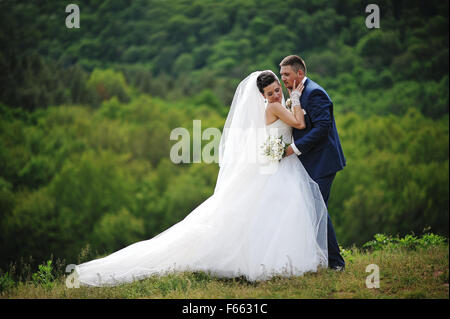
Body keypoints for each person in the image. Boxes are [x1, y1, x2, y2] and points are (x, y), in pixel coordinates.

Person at [74, 71, 329, 287]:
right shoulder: (274, 106)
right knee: (281, 211)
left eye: (277, 90)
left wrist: (290, 102)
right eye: (271, 92)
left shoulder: (273, 106)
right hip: (280, 165)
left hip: (281, 164)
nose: (276, 95)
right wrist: (294, 97)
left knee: (275, 213)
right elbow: (299, 124)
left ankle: (281, 258)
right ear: (262, 96)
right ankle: (277, 260)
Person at [280, 55, 346, 270]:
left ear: (300, 73)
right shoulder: (296, 94)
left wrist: (293, 149)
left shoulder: (315, 93)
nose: (283, 79)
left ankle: (336, 264)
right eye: (281, 75)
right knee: (312, 211)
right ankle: (321, 259)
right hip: (308, 162)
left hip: (323, 162)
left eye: (287, 74)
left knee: (317, 210)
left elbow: (322, 128)